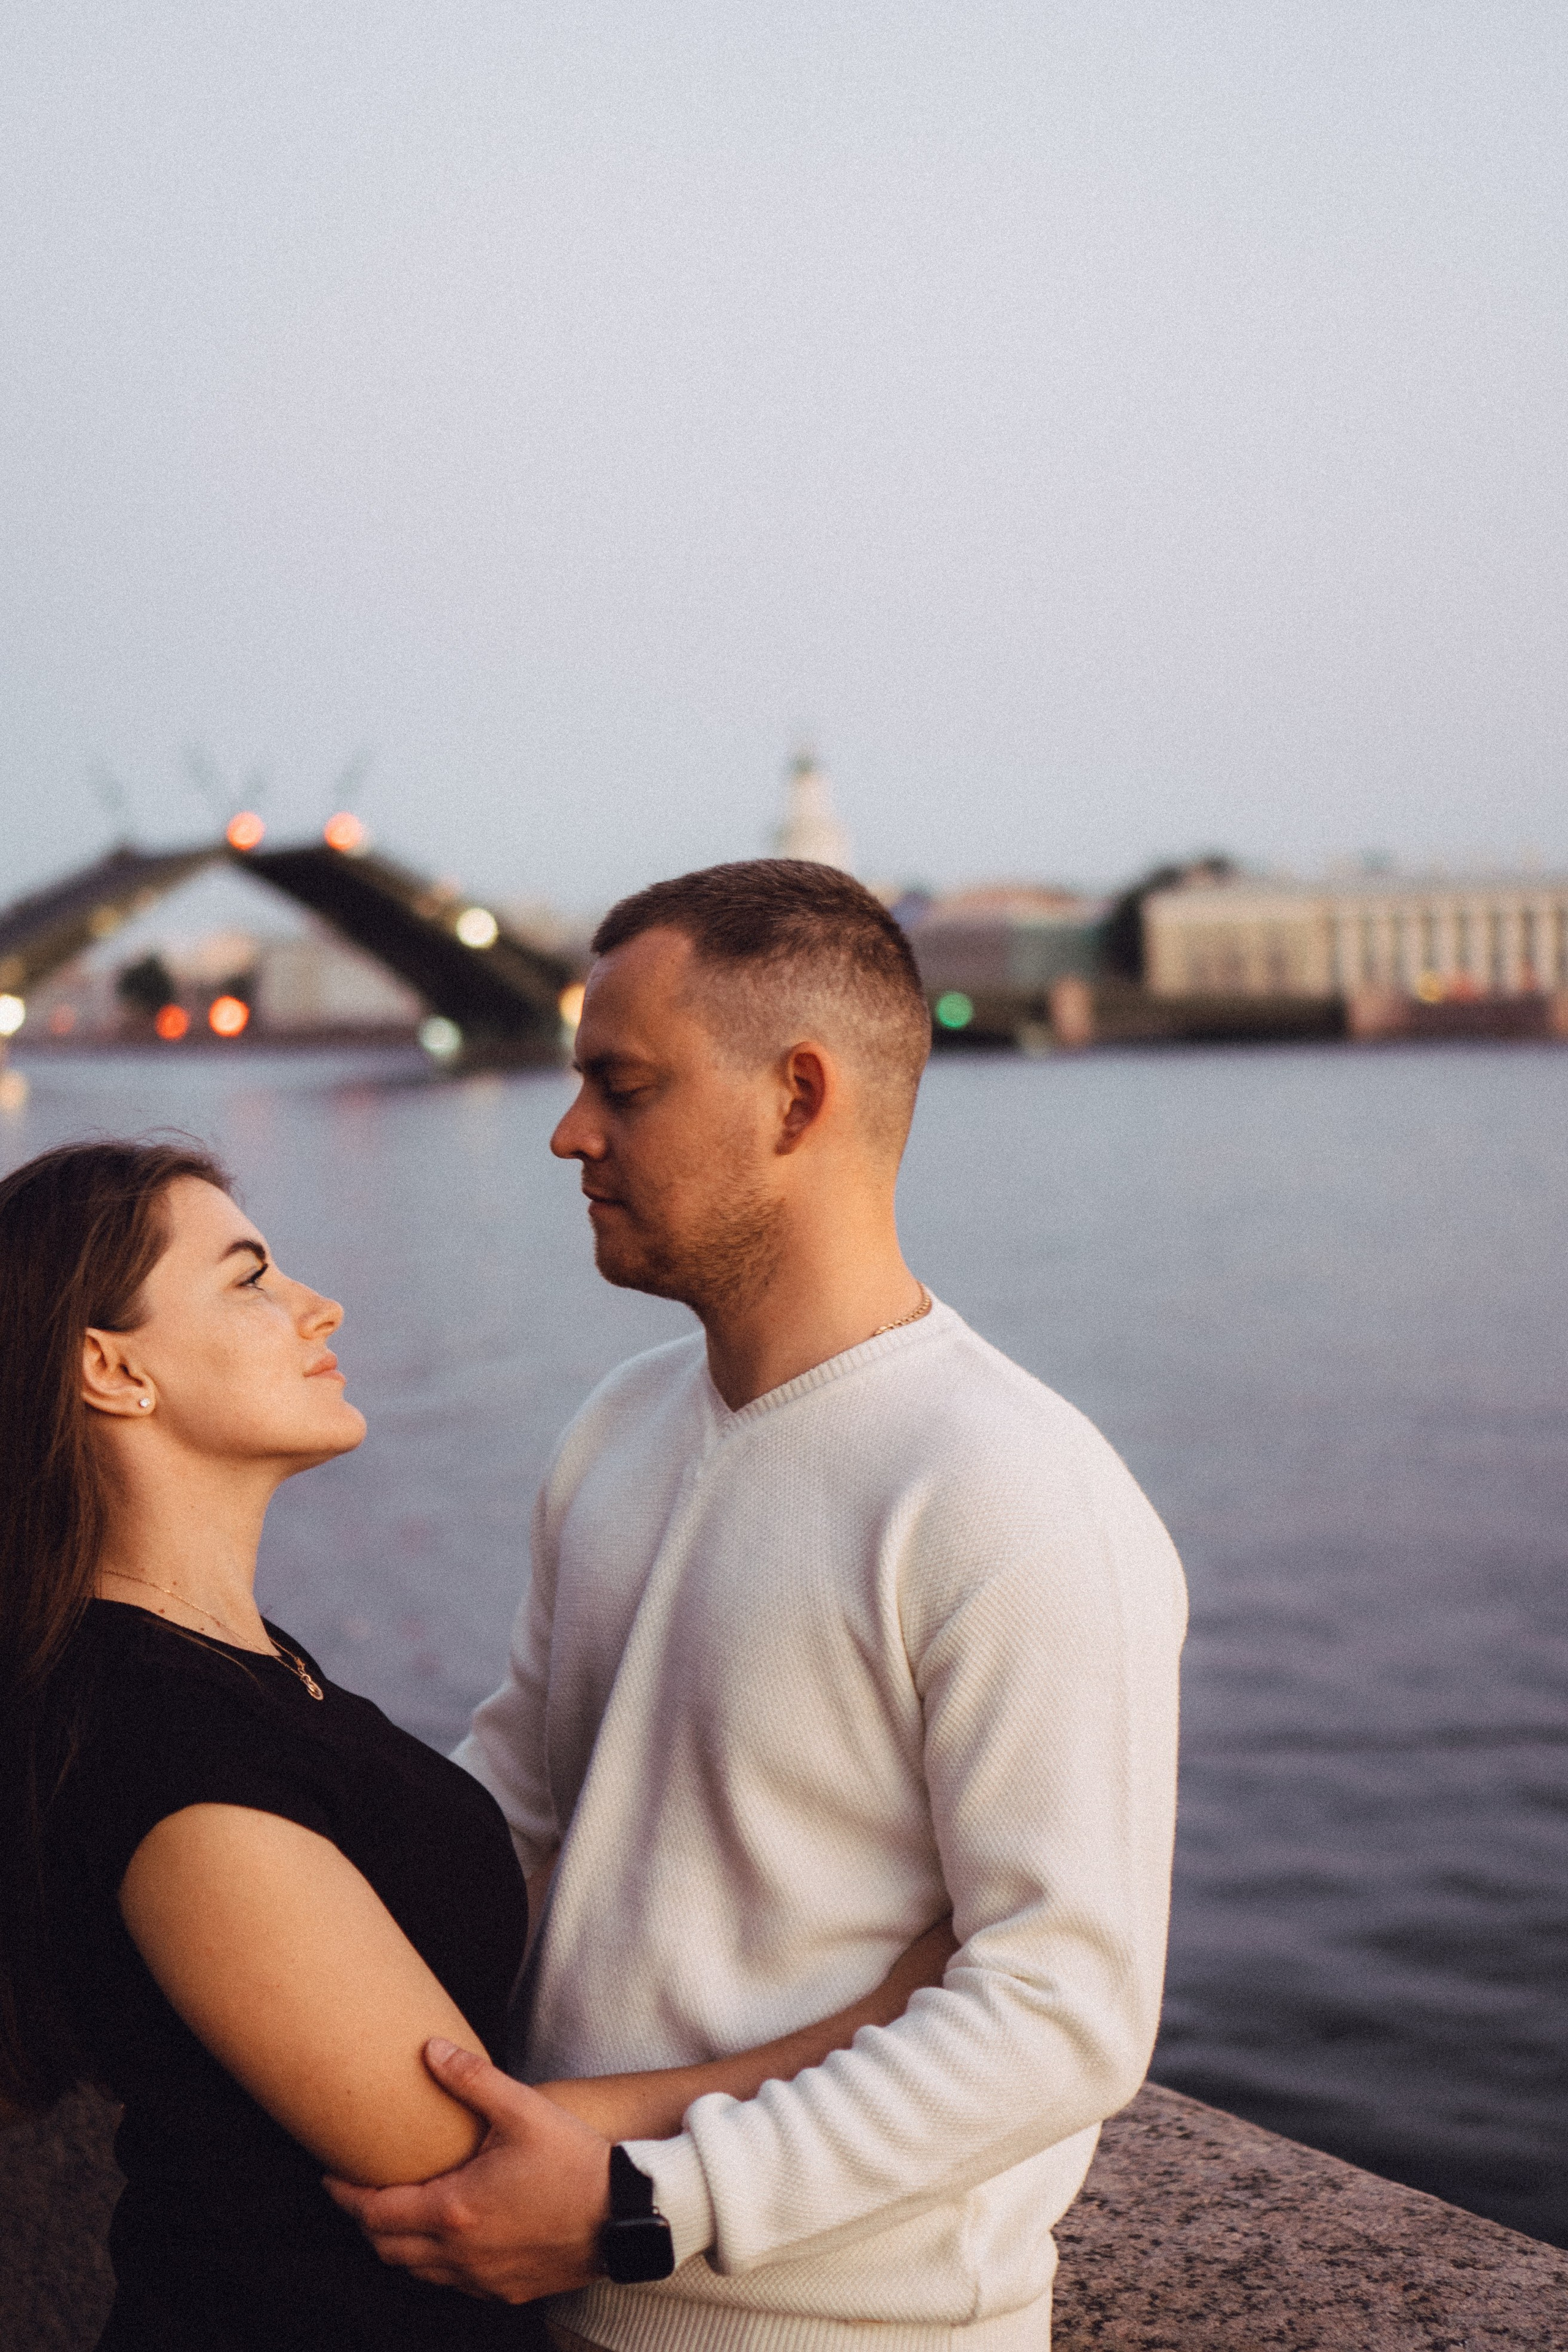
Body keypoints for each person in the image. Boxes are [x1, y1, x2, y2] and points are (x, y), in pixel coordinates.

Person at [332, 859, 1189, 2351]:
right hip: (535, 2289)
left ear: (797, 1099)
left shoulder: (1009, 1492)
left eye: (623, 1087)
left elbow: (1063, 2013)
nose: (568, 1132)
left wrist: (645, 2201)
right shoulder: (619, 1423)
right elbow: (513, 1816)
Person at [0, 1139, 956, 2352]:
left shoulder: (227, 1665)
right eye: (248, 1279)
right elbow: (465, 2162)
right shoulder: (168, 1752)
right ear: (111, 1368)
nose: (317, 1306)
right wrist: (880, 2016)